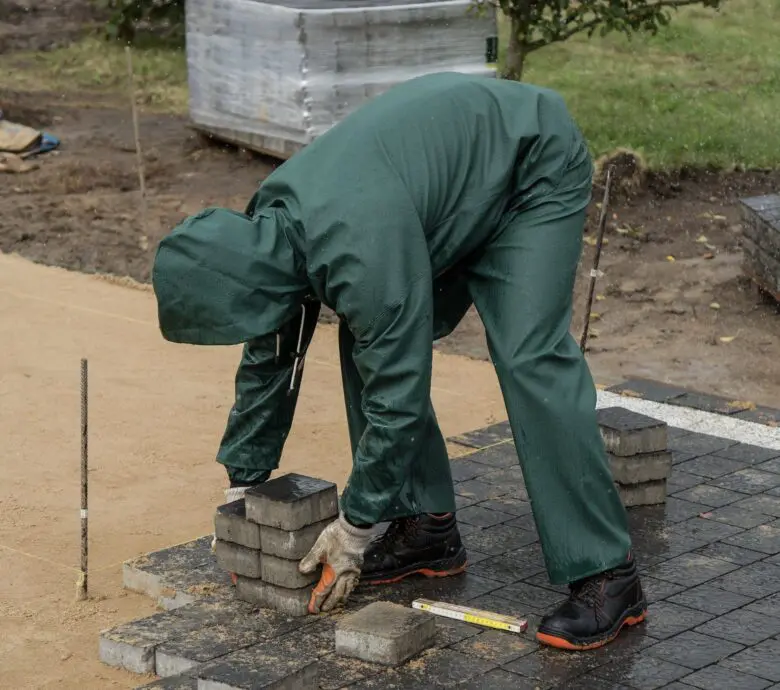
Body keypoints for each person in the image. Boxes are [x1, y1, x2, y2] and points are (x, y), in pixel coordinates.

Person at [151, 71, 646, 651]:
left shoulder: (356, 249)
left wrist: (355, 527)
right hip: (438, 195)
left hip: (528, 166)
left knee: (529, 358)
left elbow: (399, 395)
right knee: (368, 340)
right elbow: (273, 357)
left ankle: (609, 574)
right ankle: (426, 528)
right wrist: (244, 486)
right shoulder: (266, 235)